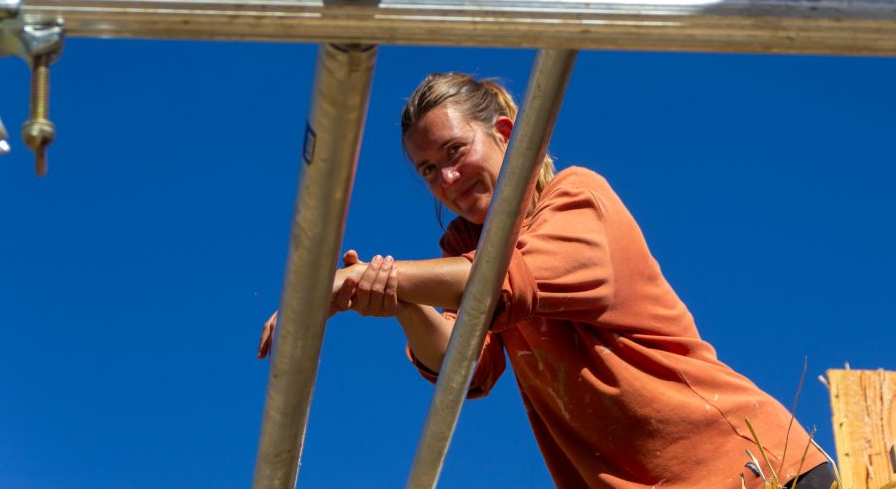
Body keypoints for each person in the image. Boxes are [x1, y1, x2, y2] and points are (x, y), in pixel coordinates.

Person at [258, 72, 833, 489]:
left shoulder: (577, 201)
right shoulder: (466, 251)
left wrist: (343, 282)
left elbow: (501, 284)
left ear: (506, 132)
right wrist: (397, 300)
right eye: (429, 170)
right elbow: (466, 367)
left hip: (743, 469)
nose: (448, 178)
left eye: (455, 150)